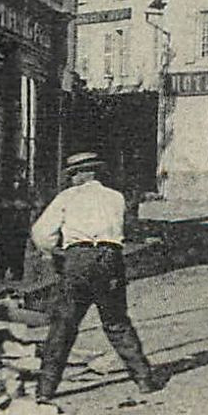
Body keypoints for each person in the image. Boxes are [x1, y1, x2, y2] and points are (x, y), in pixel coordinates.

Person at [31, 151, 161, 400]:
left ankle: (45, 389)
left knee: (64, 325)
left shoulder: (66, 197)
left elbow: (41, 232)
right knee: (116, 322)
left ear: (82, 174)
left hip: (78, 260)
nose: (71, 180)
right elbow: (125, 228)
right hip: (110, 259)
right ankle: (144, 379)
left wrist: (53, 254)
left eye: (72, 175)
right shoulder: (115, 197)